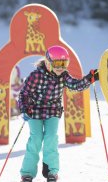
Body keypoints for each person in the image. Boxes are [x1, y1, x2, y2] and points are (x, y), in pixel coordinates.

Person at [18, 45, 99, 182]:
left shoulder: (63, 76)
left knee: (51, 139)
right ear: (48, 62)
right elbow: (24, 93)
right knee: (36, 139)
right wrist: (25, 107)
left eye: (64, 64)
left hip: (53, 111)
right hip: (35, 111)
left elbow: (76, 85)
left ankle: (51, 171)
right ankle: (27, 173)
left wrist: (89, 78)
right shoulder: (36, 76)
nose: (61, 68)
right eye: (58, 64)